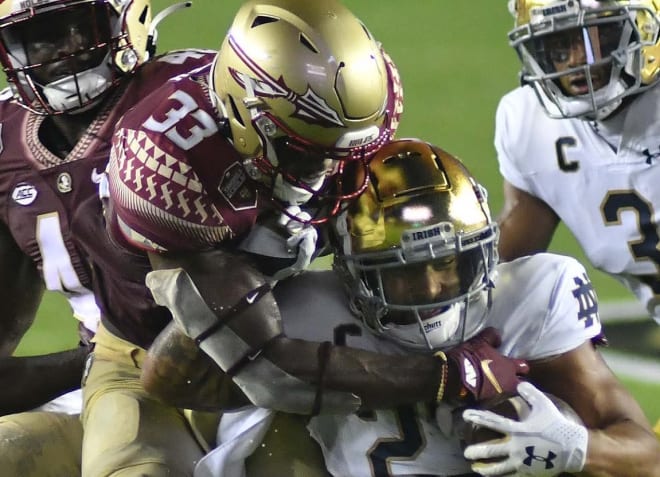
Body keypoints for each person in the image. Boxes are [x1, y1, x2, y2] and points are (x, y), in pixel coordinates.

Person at [85, 1, 531, 476]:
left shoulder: (354, 108)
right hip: (154, 352)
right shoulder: (172, 169)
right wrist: (447, 374)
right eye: (306, 151)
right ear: (244, 111)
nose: (332, 172)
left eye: (349, 149)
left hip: (293, 313)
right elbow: (266, 370)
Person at [188, 138, 660, 477]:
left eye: (449, 263)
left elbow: (647, 456)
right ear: (350, 269)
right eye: (403, 272)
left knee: (563, 421)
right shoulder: (302, 309)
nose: (434, 286)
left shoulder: (532, 297)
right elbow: (178, 385)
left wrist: (575, 447)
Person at [0, 0, 217, 475]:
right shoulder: (7, 142)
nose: (60, 51)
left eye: (78, 27)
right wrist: (96, 363)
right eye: (36, 38)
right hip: (111, 378)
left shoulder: (202, 93)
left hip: (236, 357)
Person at [495, 0, 660, 436]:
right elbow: (502, 274)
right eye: (560, 44)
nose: (580, 62)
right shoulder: (530, 124)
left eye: (600, 36)